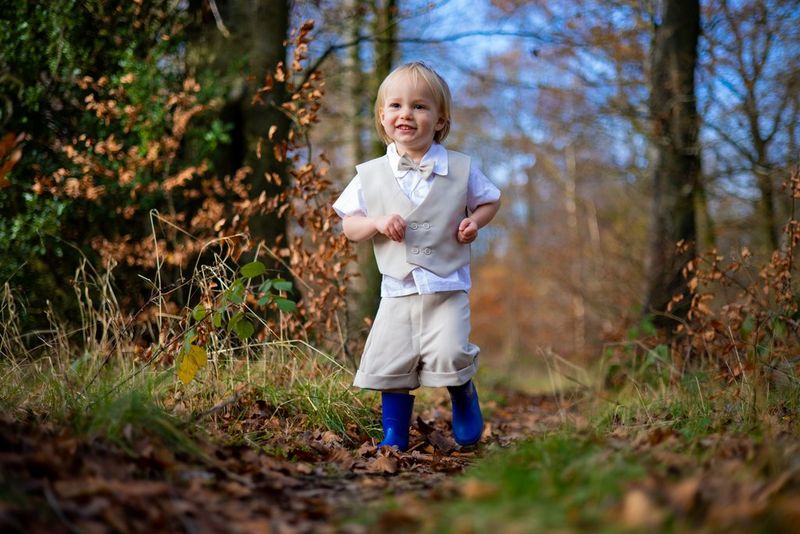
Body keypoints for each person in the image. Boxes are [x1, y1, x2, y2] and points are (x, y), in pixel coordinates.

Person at [333, 61, 501, 450]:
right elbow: (349, 225)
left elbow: (490, 201)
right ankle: (393, 432)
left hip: (447, 284)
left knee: (450, 351)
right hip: (397, 289)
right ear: (382, 117)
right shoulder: (370, 174)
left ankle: (463, 395)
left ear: (440, 120)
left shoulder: (460, 168)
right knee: (391, 360)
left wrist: (474, 222)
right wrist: (375, 222)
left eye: (419, 107)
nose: (405, 114)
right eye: (395, 106)